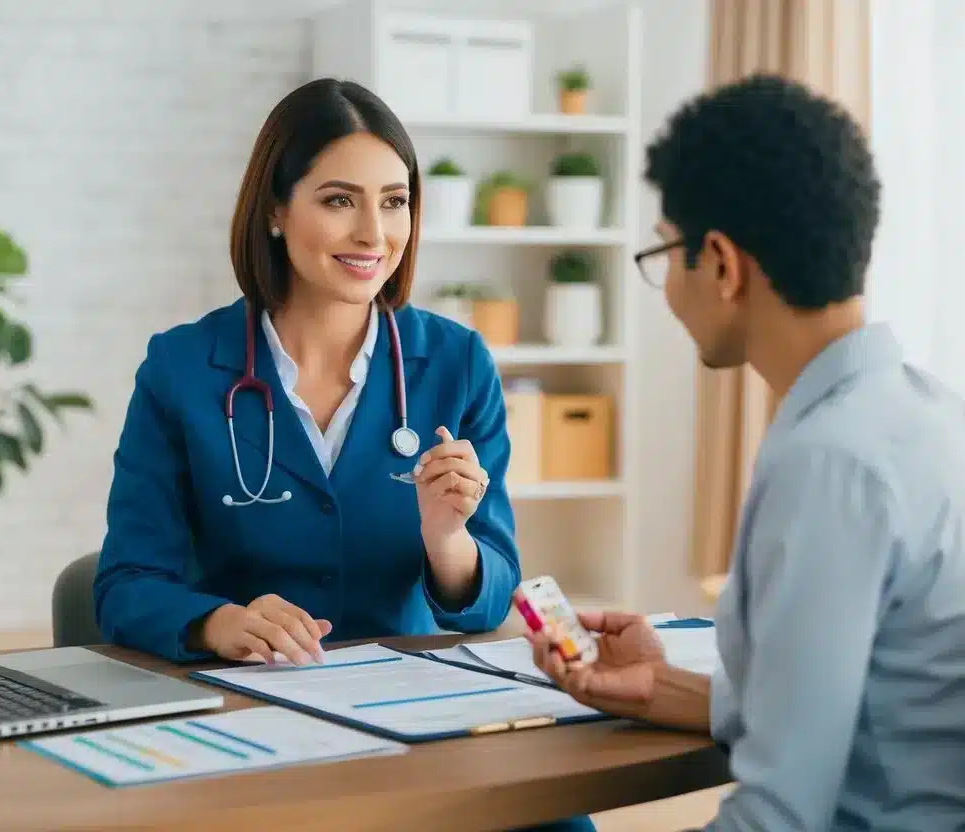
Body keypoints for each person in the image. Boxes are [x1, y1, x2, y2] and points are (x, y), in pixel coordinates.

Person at [528, 73, 965, 830]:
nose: (666, 287)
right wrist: (667, 689)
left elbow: (779, 816)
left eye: (667, 253)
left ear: (723, 265)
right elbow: (887, 708)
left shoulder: (828, 462)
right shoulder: (932, 415)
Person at [93, 78, 593, 832]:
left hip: (419, 725)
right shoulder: (181, 369)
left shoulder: (455, 362)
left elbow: (489, 600)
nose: (373, 233)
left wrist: (446, 537)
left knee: (557, 820)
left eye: (394, 201)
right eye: (338, 200)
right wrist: (215, 622)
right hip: (251, 725)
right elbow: (126, 582)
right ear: (273, 209)